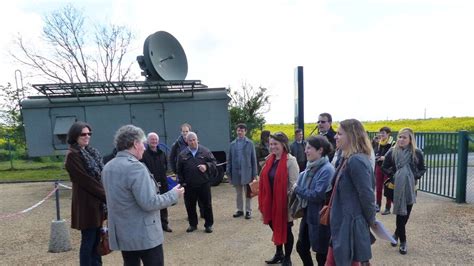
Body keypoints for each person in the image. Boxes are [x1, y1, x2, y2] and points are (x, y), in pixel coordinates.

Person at [102, 125, 184, 266]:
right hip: (144, 235)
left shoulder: (108, 167)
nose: (144, 148)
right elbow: (149, 203)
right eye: (142, 143)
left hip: (123, 234)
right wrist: (173, 195)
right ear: (135, 144)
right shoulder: (136, 168)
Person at [326, 119, 376, 266]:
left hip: (349, 225)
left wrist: (371, 221)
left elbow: (367, 195)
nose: (335, 137)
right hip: (342, 223)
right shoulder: (346, 158)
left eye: (339, 133)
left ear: (352, 136)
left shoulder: (356, 161)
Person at [64, 121, 106, 266]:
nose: (87, 136)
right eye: (83, 134)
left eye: (89, 133)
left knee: (96, 240)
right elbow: (87, 181)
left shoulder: (90, 152)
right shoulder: (72, 155)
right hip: (86, 205)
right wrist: (107, 196)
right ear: (75, 135)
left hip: (97, 204)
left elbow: (100, 175)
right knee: (88, 241)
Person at [382, 127, 426, 255]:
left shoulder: (417, 152)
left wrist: (414, 176)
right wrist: (394, 175)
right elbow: (384, 166)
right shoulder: (392, 151)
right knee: (400, 216)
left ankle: (396, 234)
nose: (401, 139)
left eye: (404, 137)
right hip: (396, 188)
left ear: (410, 139)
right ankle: (404, 242)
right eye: (399, 137)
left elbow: (423, 168)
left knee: (405, 215)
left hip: (411, 188)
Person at [258, 132, 299, 266]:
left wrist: (286, 201)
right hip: (270, 201)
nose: (272, 147)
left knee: (286, 230)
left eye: (275, 144)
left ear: (283, 144)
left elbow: (294, 184)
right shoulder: (270, 158)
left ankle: (287, 258)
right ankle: (279, 253)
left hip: (284, 204)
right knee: (274, 226)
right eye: (270, 144)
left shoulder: (290, 161)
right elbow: (264, 176)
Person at [294, 136, 335, 266]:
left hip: (320, 217)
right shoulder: (311, 166)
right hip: (309, 214)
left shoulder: (327, 169)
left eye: (309, 148)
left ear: (320, 150)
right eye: (306, 148)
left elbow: (318, 195)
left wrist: (297, 189)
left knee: (321, 254)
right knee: (301, 247)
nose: (306, 151)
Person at [177, 131, 217, 233]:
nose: (192, 142)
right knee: (190, 206)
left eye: (194, 140)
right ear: (187, 142)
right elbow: (179, 170)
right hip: (189, 185)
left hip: (203, 183)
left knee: (207, 205)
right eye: (190, 140)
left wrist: (206, 166)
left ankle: (208, 225)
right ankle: (193, 224)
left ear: (197, 140)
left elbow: (214, 163)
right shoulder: (182, 155)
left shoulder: (205, 151)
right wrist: (182, 183)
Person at [169, 123, 204, 218]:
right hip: (185, 175)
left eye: (187, 131)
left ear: (190, 131)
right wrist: (176, 171)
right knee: (189, 197)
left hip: (196, 173)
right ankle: (191, 216)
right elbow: (171, 158)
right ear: (181, 132)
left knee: (201, 195)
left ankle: (203, 213)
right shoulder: (176, 144)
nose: (185, 133)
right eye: (183, 131)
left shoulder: (195, 141)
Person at [141, 132, 172, 232]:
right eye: (152, 139)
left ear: (158, 141)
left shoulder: (162, 154)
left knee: (163, 204)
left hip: (162, 183)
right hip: (149, 184)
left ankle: (164, 224)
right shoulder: (143, 155)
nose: (154, 141)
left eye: (155, 140)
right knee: (152, 205)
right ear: (147, 141)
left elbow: (166, 167)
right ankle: (154, 226)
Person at [226, 123, 258, 219]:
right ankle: (239, 210)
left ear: (245, 132)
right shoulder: (232, 144)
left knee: (248, 193)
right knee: (238, 193)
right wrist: (228, 172)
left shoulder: (250, 143)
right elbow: (229, 159)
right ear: (236, 131)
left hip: (247, 172)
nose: (240, 132)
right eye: (238, 130)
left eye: (242, 130)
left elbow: (253, 159)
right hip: (236, 173)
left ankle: (248, 211)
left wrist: (255, 173)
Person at [374, 127, 395, 214]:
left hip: (388, 168)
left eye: (383, 133)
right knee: (378, 187)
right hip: (379, 166)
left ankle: (388, 207)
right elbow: (377, 153)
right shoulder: (379, 142)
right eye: (380, 133)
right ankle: (378, 205)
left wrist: (385, 158)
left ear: (388, 134)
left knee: (388, 187)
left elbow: (394, 156)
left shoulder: (393, 143)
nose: (381, 135)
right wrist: (377, 156)